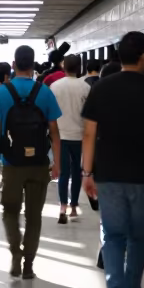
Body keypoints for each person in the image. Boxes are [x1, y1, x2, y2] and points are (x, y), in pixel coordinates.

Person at [82, 32, 144, 288]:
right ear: (142, 56)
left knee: (113, 237)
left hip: (109, 175)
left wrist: (87, 173)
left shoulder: (101, 88)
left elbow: (89, 133)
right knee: (139, 239)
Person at [0, 44, 61, 279]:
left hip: (12, 163)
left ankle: (15, 253)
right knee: (34, 216)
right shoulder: (45, 92)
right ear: (32, 64)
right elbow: (55, 132)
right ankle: (28, 264)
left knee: (10, 211)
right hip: (39, 163)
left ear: (14, 64)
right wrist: (56, 162)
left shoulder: (2, 92)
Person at [50, 54, 90, 223]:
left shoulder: (55, 86)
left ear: (63, 67)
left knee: (63, 173)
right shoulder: (85, 87)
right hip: (79, 136)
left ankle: (62, 207)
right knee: (76, 173)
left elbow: (50, 112)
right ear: (79, 68)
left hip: (60, 135)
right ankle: (74, 207)